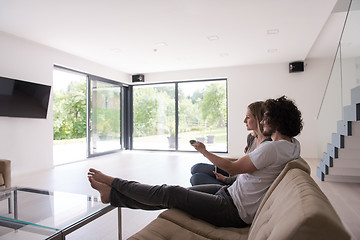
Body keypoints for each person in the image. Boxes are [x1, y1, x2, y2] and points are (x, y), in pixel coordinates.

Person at [88, 95, 303, 228]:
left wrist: (204, 151)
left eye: (266, 117)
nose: (263, 120)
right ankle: (113, 195)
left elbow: (231, 167)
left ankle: (114, 183)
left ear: (275, 121)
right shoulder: (292, 145)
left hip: (232, 210)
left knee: (169, 192)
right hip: (230, 194)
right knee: (172, 194)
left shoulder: (273, 149)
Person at [190, 101, 271, 186]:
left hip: (235, 182)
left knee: (196, 178)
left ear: (258, 119)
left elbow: (245, 173)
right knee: (195, 168)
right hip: (235, 173)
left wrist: (226, 179)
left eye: (248, 117)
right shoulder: (251, 138)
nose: (244, 121)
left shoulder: (267, 146)